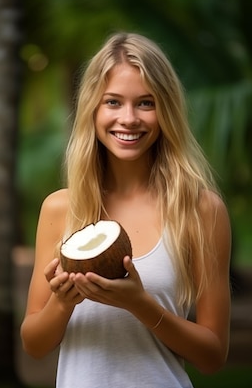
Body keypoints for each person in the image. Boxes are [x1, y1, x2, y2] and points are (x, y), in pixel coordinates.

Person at [20, 32, 231, 388]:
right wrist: (62, 303)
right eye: (113, 102)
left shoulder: (200, 209)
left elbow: (213, 356)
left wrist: (141, 305)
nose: (129, 118)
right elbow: (33, 344)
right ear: (93, 109)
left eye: (146, 103)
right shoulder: (60, 209)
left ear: (166, 110)